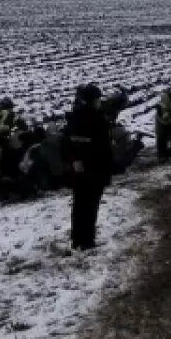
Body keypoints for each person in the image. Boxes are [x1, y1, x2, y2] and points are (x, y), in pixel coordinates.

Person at [62, 84, 113, 250]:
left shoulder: (73, 118)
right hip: (95, 169)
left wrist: (72, 162)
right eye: (98, 99)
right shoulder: (97, 119)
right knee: (90, 206)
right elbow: (104, 147)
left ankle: (77, 239)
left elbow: (67, 144)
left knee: (79, 204)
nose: (100, 102)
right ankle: (87, 241)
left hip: (78, 170)